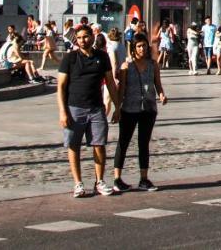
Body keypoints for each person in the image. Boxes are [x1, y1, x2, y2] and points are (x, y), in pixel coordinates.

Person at [58, 24, 120, 198]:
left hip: (96, 108)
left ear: (92, 37)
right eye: (79, 38)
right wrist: (63, 112)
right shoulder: (70, 58)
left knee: (99, 144)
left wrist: (117, 106)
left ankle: (99, 181)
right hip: (74, 108)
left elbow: (110, 82)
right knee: (73, 145)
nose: (82, 41)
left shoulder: (102, 56)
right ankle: (78, 183)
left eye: (85, 37)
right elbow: (61, 87)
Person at [112, 32, 166, 192]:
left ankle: (144, 178)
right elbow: (121, 90)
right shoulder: (126, 66)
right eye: (139, 46)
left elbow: (158, 83)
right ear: (133, 48)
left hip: (148, 109)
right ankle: (117, 179)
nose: (142, 48)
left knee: (144, 143)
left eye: (144, 45)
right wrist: (117, 108)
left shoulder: (153, 64)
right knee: (123, 142)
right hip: (129, 108)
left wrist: (162, 95)